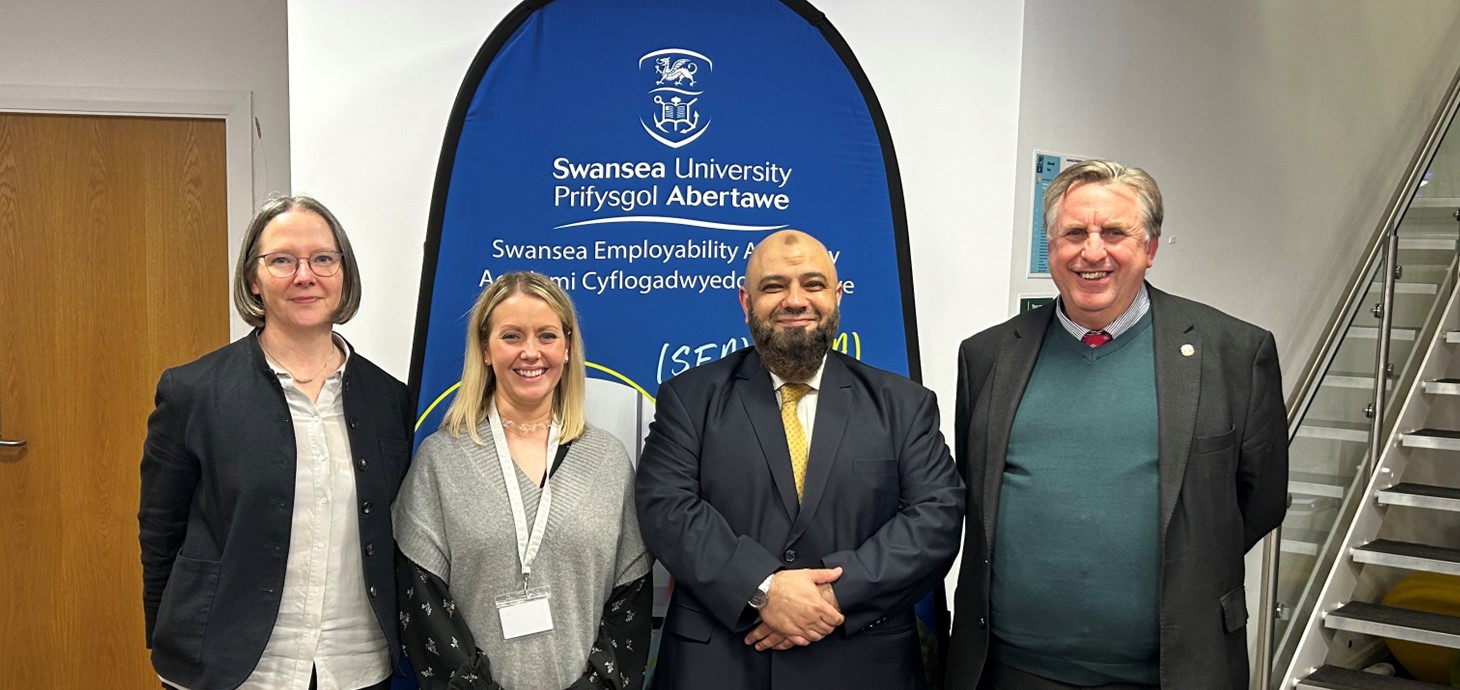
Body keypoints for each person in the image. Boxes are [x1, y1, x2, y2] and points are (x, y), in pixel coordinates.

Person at [947, 160, 1288, 690]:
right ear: (1051, 247)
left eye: (1114, 232)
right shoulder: (987, 355)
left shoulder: (1235, 353)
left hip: (1173, 673)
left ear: (1149, 249)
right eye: (1074, 233)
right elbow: (975, 490)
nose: (1092, 251)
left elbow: (1260, 500)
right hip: (1011, 672)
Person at [636, 229, 965, 689]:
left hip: (864, 665)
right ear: (745, 302)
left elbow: (937, 518)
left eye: (813, 284)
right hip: (723, 665)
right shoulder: (689, 398)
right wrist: (765, 589)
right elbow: (666, 509)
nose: (795, 300)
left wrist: (831, 594)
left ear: (837, 296)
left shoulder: (903, 404)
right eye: (773, 286)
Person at [138, 196, 413, 690]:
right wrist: (170, 637)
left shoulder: (390, 401)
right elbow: (161, 531)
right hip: (229, 667)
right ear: (253, 279)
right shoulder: (193, 392)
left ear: (343, 274)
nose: (305, 275)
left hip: (354, 664)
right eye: (282, 260)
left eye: (323, 259)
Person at [392, 272, 652, 690]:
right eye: (512, 336)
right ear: (486, 350)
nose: (531, 352)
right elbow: (423, 604)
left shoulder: (608, 460)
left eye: (547, 336)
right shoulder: (440, 461)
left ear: (567, 348)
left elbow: (631, 599)